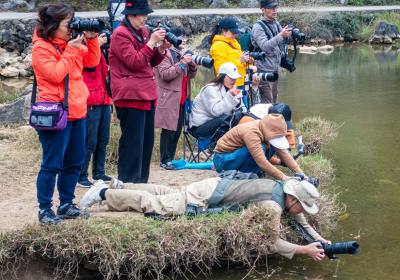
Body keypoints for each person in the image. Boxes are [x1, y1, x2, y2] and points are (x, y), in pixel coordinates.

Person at [80, 176, 330, 260]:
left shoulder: (281, 185)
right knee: (156, 206)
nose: (303, 213)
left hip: (214, 184)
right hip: (206, 198)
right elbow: (272, 242)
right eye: (303, 207)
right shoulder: (272, 207)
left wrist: (321, 240)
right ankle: (103, 193)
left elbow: (301, 221)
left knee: (168, 193)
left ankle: (120, 184)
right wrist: (304, 250)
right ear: (293, 200)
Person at [32, 3, 101, 224]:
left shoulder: (70, 43)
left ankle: (66, 203)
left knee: (74, 162)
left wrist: (90, 40)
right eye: (67, 23)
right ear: (53, 25)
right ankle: (44, 210)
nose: (71, 27)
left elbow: (92, 62)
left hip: (77, 111)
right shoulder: (41, 47)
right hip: (55, 114)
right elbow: (54, 74)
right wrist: (71, 49)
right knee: (52, 164)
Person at [108, 0, 167, 183]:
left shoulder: (141, 31)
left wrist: (161, 48)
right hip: (130, 95)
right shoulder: (120, 35)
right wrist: (151, 43)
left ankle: (141, 181)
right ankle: (128, 181)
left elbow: (151, 61)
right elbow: (134, 62)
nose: (145, 18)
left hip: (146, 94)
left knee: (146, 142)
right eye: (143, 15)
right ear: (131, 14)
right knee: (132, 142)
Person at [154, 28, 198, 170]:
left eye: (185, 40)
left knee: (177, 129)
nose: (183, 43)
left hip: (182, 97)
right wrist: (182, 62)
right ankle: (164, 160)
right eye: (181, 40)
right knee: (168, 129)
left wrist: (191, 63)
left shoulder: (181, 54)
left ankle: (170, 159)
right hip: (169, 96)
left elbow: (191, 75)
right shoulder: (165, 54)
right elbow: (165, 74)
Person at [213, 114, 305, 180]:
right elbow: (262, 162)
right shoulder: (252, 132)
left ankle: (251, 173)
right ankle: (243, 176)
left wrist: (301, 174)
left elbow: (284, 153)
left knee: (271, 146)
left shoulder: (264, 127)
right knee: (262, 147)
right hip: (222, 160)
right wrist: (283, 177)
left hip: (236, 156)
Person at [78, 33, 113, 188]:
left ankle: (99, 172)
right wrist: (95, 46)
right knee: (89, 141)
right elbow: (88, 66)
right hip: (90, 100)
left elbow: (105, 73)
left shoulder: (100, 52)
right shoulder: (82, 50)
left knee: (103, 140)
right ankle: (81, 175)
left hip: (104, 99)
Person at [251, 0, 292, 104]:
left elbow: (280, 43)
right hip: (263, 71)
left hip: (274, 69)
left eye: (276, 8)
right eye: (271, 8)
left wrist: (288, 36)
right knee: (267, 103)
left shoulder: (275, 23)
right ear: (263, 10)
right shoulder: (258, 27)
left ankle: (272, 119)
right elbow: (265, 46)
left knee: (274, 100)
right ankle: (264, 120)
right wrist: (281, 35)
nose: (275, 10)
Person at [189, 62, 244, 139]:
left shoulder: (232, 89)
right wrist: (231, 96)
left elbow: (241, 110)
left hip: (218, 123)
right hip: (200, 127)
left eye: (235, 78)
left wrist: (238, 103)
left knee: (241, 117)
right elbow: (216, 111)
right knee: (226, 119)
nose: (234, 81)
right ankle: (213, 148)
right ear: (223, 76)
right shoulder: (210, 89)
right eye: (231, 78)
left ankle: (232, 147)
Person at [209, 16, 255, 88]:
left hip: (241, 82)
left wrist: (248, 61)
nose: (235, 35)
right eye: (233, 32)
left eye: (235, 32)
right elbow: (221, 70)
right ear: (224, 31)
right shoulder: (217, 46)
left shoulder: (234, 42)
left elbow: (240, 64)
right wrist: (240, 61)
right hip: (230, 86)